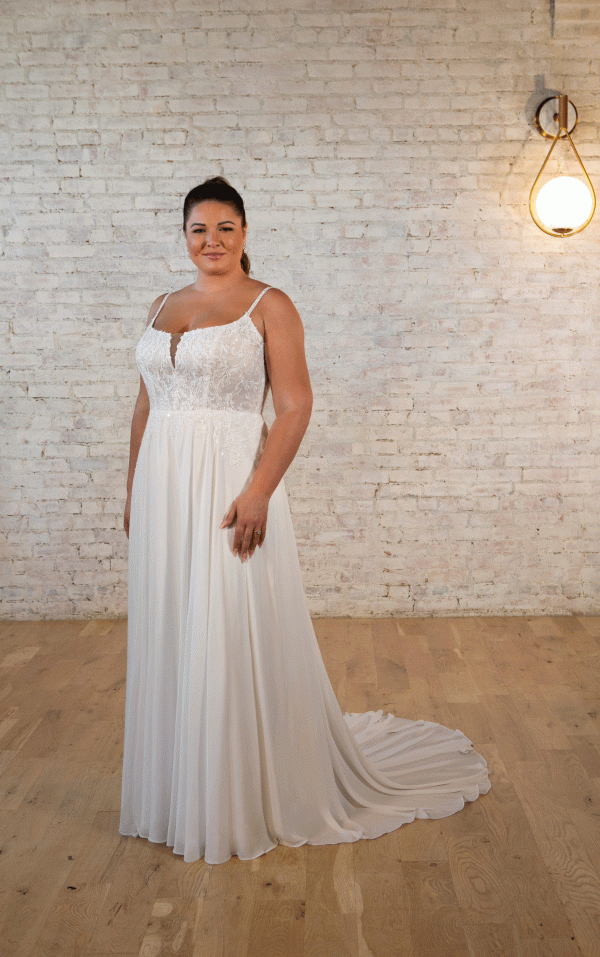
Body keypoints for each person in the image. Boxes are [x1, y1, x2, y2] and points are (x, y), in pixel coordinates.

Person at [118, 175, 491, 865]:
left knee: (226, 623)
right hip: (165, 483)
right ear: (184, 236)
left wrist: (259, 491)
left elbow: (294, 405)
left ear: (246, 233)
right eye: (199, 229)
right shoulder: (162, 303)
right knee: (175, 620)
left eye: (226, 227)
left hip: (230, 479)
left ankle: (234, 791)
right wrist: (133, 486)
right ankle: (178, 784)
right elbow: (146, 404)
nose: (212, 241)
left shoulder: (270, 305)